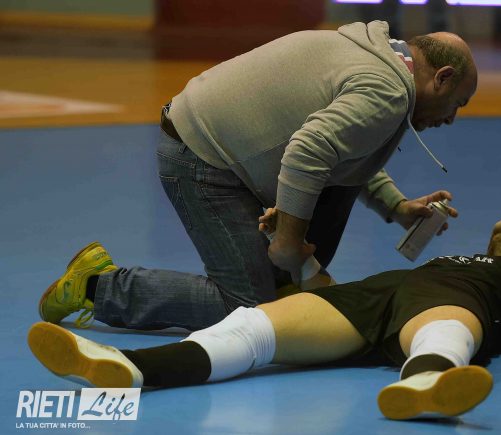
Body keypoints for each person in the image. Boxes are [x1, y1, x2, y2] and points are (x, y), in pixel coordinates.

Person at [38, 21, 476, 331]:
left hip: (220, 142)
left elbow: (345, 144)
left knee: (319, 201)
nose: (452, 119)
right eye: (458, 103)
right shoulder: (388, 90)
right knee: (246, 307)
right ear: (442, 77)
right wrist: (288, 243)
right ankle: (96, 286)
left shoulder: (379, 56)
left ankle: (282, 280)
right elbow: (309, 150)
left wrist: (397, 206)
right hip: (201, 158)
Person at [28, 181, 501, 420]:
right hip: (376, 295)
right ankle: (129, 367)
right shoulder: (464, 259)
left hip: (461, 302)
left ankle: (426, 383)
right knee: (252, 326)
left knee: (443, 331)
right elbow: (325, 291)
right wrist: (305, 260)